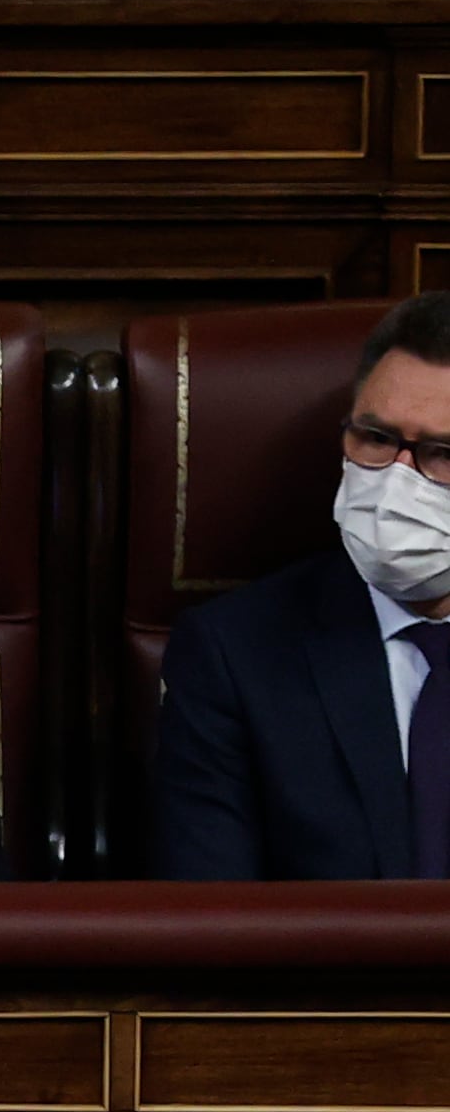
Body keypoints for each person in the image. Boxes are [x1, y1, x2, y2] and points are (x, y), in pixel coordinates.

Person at [152, 293, 450, 878]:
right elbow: (212, 926)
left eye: (442, 452)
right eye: (376, 437)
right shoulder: (234, 655)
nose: (397, 479)